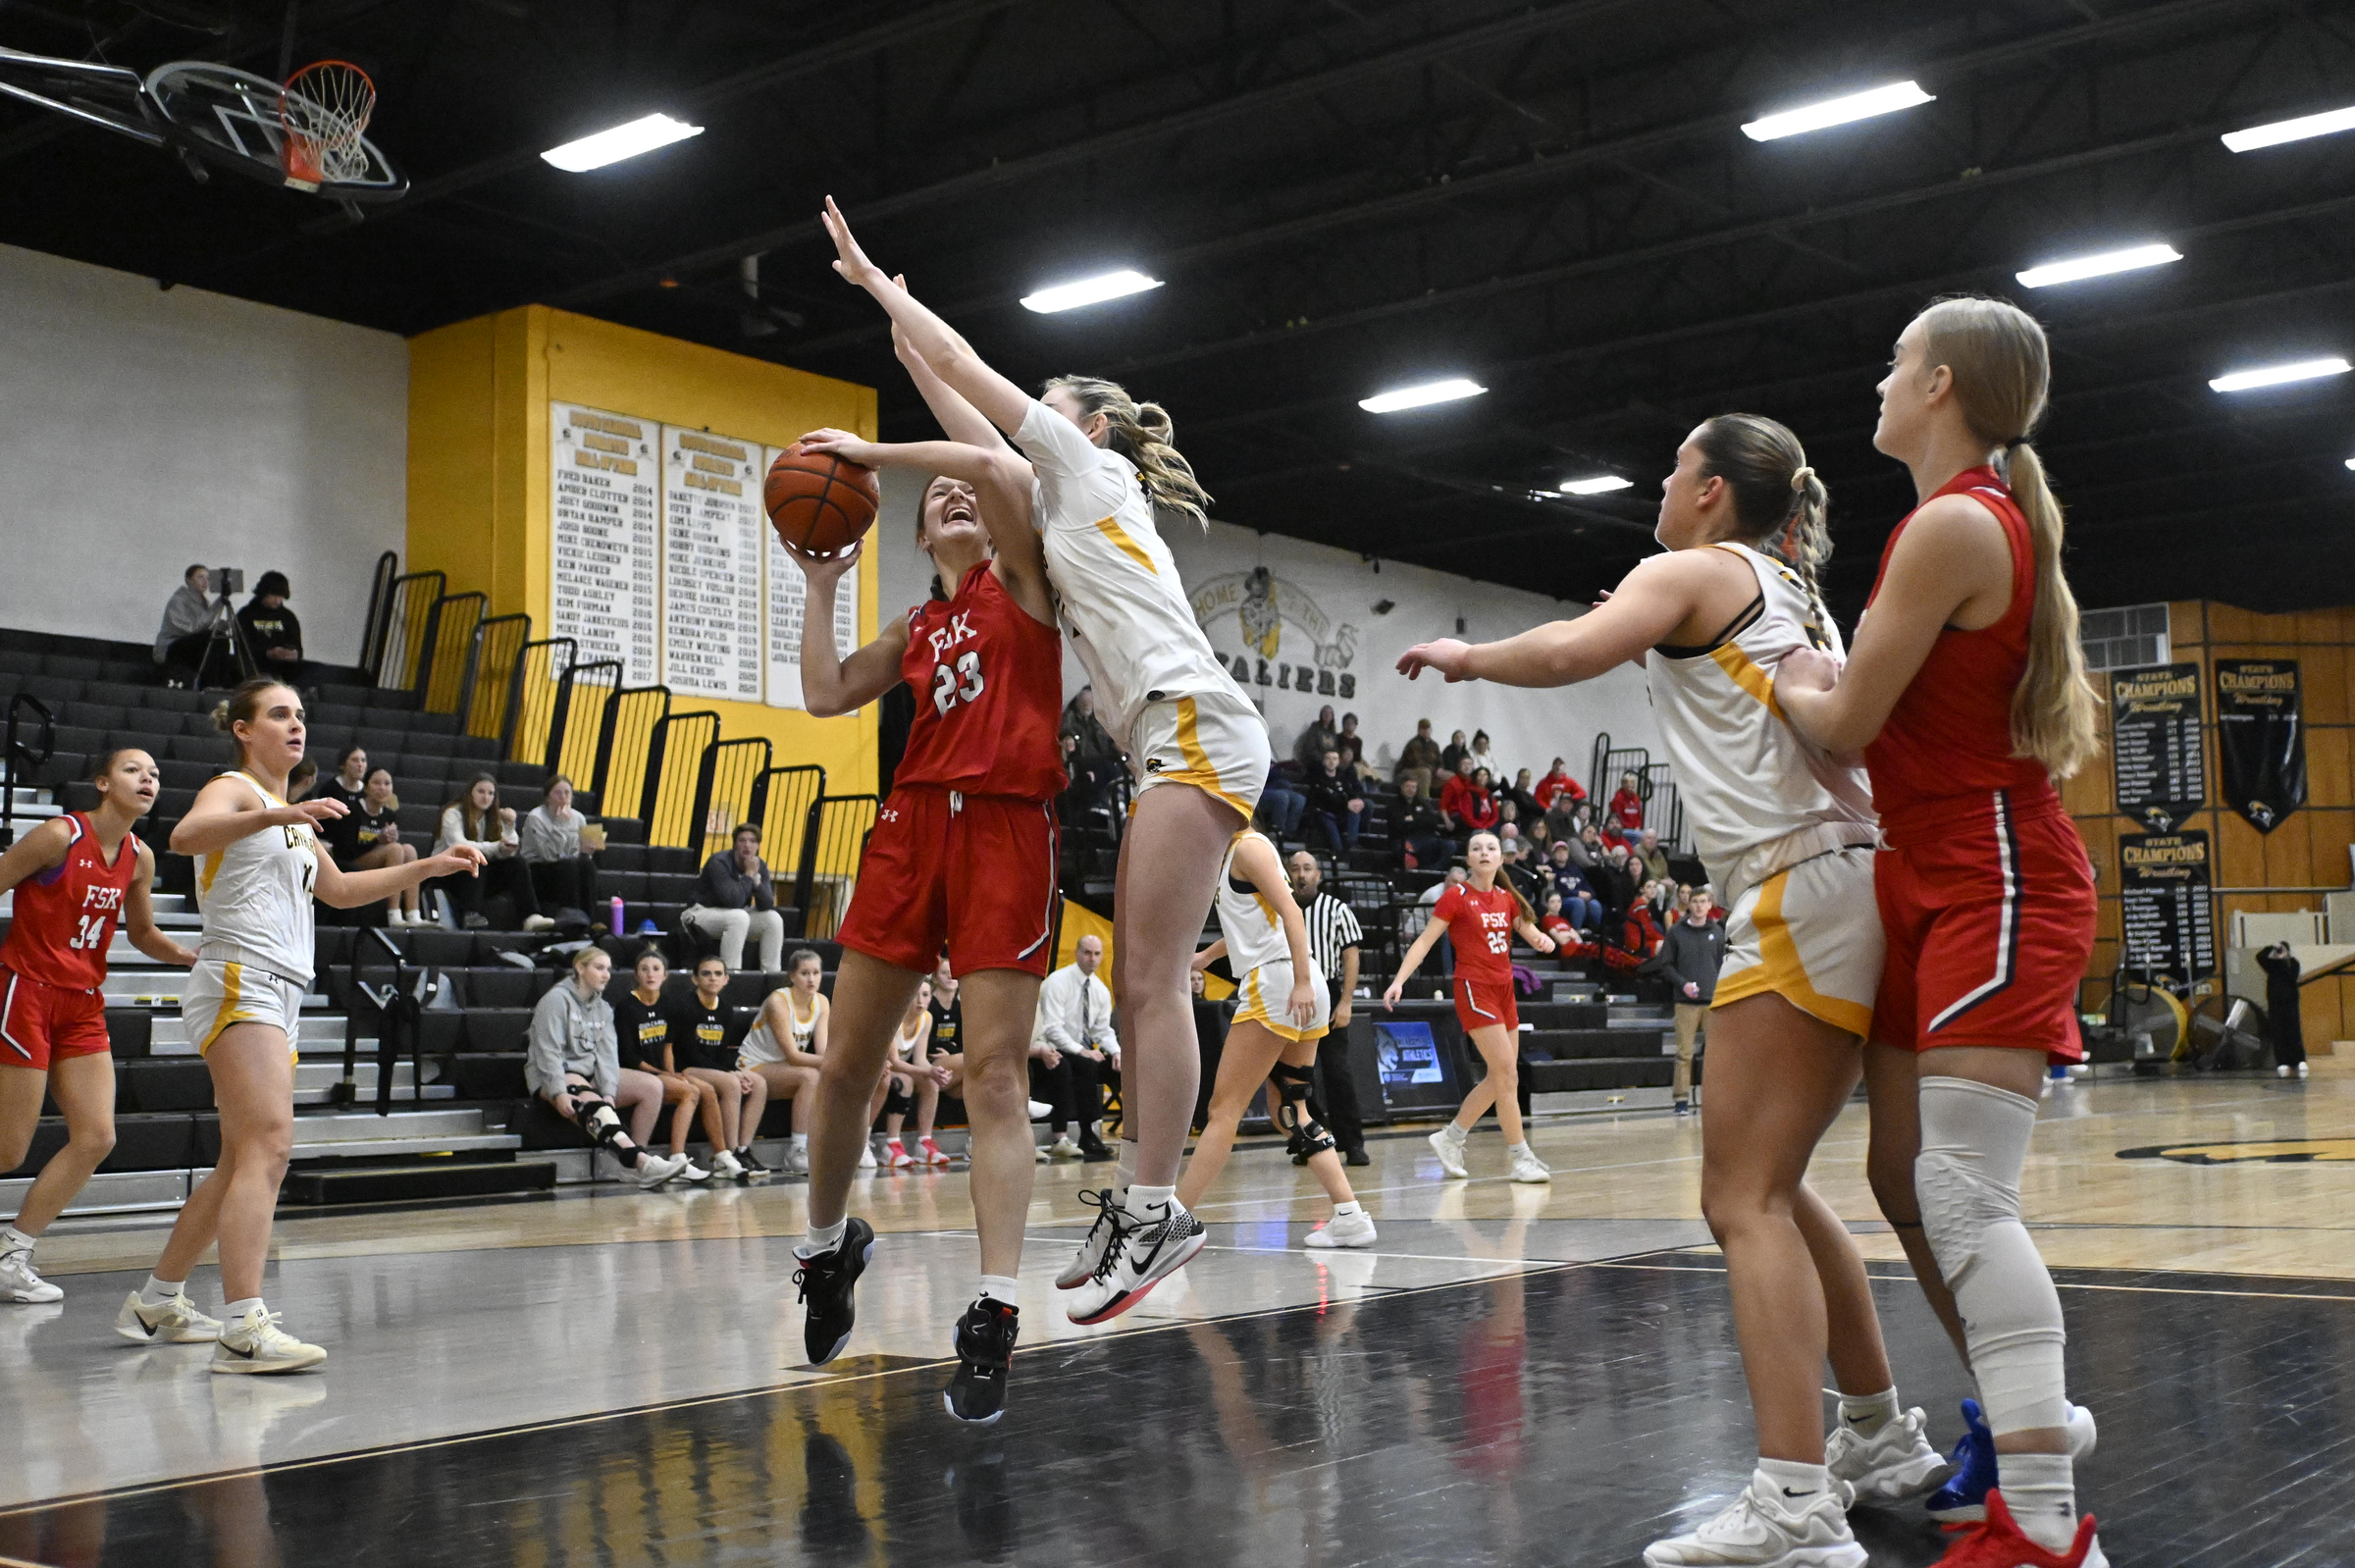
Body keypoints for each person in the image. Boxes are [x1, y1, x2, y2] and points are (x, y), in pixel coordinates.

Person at [1402, 413, 1954, 1568]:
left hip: (1796, 886)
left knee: (1740, 1200)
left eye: (1671, 469)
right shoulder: (1797, 591)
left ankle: (1796, 1501)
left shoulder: (1695, 568)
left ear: (1711, 491)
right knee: (1779, 1187)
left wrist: (1467, 658)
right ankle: (1872, 1434)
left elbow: (1570, 649)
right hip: (1852, 878)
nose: (1659, 483)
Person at [822, 198, 1271, 1333]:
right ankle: (1145, 1203)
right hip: (1173, 734)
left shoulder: (1088, 469)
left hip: (1196, 721)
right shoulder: (1058, 513)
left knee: (1151, 984)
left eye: (1046, 414)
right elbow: (975, 423)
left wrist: (885, 295)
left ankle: (1155, 1206)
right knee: (1141, 983)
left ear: (1088, 430)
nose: (1031, 428)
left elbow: (981, 412)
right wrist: (908, 341)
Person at [1775, 297, 2108, 1565]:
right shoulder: (1956, 519)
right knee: (1901, 1179)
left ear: (1943, 385)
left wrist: (1791, 675)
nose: (1880, 377)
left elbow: (1845, 719)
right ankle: (2024, 1427)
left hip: (1996, 874)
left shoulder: (1960, 519)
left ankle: (2040, 1515)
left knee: (1962, 1194)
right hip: (1930, 871)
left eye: (1895, 360)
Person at [783, 281, 1073, 1426]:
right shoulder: (915, 627)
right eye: (931, 494)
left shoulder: (1028, 583)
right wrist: (817, 587)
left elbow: (1001, 469)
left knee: (993, 1074)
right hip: (911, 826)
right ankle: (823, 1245)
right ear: (910, 534)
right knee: (847, 1064)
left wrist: (885, 419)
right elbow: (818, 692)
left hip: (1007, 822)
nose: (952, 489)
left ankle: (995, 1307)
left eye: (961, 487)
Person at [127, 679, 484, 1372]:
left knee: (241, 1159)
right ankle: (243, 1326)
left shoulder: (288, 816)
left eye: (301, 716)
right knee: (271, 1144)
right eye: (280, 714)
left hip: (280, 990)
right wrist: (273, 814)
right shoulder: (234, 789)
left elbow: (342, 892)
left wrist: (432, 865)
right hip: (241, 976)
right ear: (243, 729)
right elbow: (183, 835)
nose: (296, 726)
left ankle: (157, 1299)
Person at [0, 751, 199, 1306]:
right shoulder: (59, 835)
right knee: (8, 1149)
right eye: (135, 771)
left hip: (83, 1004)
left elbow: (140, 933)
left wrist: (189, 955)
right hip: (27, 993)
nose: (148, 780)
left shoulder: (139, 856)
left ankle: (11, 1253)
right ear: (103, 782)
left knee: (97, 1136)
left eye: (156, 774)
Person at [1182, 831, 1376, 1248]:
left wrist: (1302, 981)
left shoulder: (1246, 848)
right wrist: (1206, 957)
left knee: (1223, 1109)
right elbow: (1258, 923)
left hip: (1280, 980)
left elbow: (1292, 913)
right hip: (1295, 977)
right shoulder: (1245, 850)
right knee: (1289, 1108)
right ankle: (1350, 1215)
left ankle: (1173, 1226)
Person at [1382, 830, 1556, 1184]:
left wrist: (1543, 939)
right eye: (1476, 848)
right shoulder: (1456, 896)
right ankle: (1520, 1157)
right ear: (1469, 858)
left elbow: (1531, 932)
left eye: (1491, 848)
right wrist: (1399, 979)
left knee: (1502, 1077)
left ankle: (1451, 1138)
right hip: (1474, 989)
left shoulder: (1506, 898)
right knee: (1506, 1073)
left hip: (1505, 990)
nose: (1484, 853)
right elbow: (1425, 941)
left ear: (1500, 857)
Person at [528, 945, 692, 1191]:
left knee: (652, 1086)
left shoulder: (603, 1008)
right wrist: (558, 1091)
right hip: (554, 1073)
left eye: (608, 969)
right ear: (580, 968)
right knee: (597, 1107)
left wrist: (608, 1090)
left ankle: (636, 1164)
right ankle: (640, 1163)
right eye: (599, 968)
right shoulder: (555, 1000)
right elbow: (548, 1052)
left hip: (589, 1073)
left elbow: (607, 1056)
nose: (606, 975)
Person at [611, 949, 722, 1178]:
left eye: (656, 969)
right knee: (689, 1092)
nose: (650, 974)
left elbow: (668, 1046)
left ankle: (724, 1156)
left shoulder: (670, 1005)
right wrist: (662, 1074)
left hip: (662, 1072)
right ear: (636, 975)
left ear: (665, 975)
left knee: (708, 1090)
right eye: (644, 969)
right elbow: (629, 1055)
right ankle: (677, 1157)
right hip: (637, 1073)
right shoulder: (626, 1007)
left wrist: (671, 1073)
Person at [1288, 850, 1368, 1166]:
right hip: (1290, 992)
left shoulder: (1336, 909)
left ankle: (1353, 1144)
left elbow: (1351, 956)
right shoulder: (1279, 908)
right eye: (1295, 869)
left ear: (1318, 875)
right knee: (1295, 1076)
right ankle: (1310, 1139)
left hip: (1328, 991)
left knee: (1337, 1073)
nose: (1302, 874)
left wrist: (1346, 1002)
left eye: (1308, 868)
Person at [668, 956, 772, 1179]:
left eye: (718, 974)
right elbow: (688, 1052)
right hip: (686, 1068)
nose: (712, 978)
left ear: (726, 979)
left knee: (758, 1082)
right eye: (706, 973)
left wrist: (736, 1071)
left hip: (713, 1067)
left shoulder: (725, 1009)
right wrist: (729, 1073)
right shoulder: (685, 1006)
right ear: (695, 979)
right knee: (730, 1082)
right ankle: (730, 1153)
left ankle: (744, 1149)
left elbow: (721, 1052)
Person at [1030, 935, 1119, 1162]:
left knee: (1122, 1066)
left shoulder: (1100, 990)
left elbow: (1102, 1030)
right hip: (1054, 1048)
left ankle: (1137, 1133)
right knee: (1084, 1065)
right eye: (1087, 953)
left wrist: (1116, 1051)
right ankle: (1083, 1133)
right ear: (1077, 953)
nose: (1092, 959)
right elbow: (1052, 1028)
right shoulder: (1057, 982)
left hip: (1082, 1050)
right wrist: (1082, 1051)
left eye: (1097, 954)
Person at [740, 950, 828, 1174]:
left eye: (816, 973)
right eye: (804, 973)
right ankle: (796, 1151)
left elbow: (823, 1050)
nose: (811, 979)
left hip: (782, 1068)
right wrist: (837, 1063)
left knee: (826, 1075)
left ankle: (842, 1145)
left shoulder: (822, 1002)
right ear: (792, 976)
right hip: (753, 1065)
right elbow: (794, 1056)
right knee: (810, 1076)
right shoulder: (778, 1001)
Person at [436, 774, 553, 931]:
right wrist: (496, 847)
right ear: (470, 793)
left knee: (517, 863)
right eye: (481, 791)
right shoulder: (453, 813)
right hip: (448, 874)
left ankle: (530, 917)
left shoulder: (493, 816)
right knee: (476, 859)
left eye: (490, 793)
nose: (486, 797)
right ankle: (471, 913)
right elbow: (459, 846)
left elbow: (510, 847)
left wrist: (510, 825)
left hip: (477, 877)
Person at [683, 824, 786, 973]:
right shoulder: (719, 863)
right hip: (699, 913)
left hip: (732, 915)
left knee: (773, 919)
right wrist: (749, 875)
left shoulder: (759, 865)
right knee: (739, 916)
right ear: (734, 844)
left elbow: (767, 904)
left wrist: (756, 882)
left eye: (752, 841)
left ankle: (771, 976)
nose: (747, 845)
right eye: (742, 840)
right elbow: (733, 901)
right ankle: (731, 975)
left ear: (758, 845)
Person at [1659, 890, 1726, 1115]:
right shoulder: (1676, 932)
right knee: (1684, 1053)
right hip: (1685, 1002)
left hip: (1712, 1002)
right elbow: (1666, 965)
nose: (1699, 906)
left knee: (1715, 1055)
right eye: (1695, 902)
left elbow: (1721, 964)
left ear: (1710, 905)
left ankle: (1714, 1100)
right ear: (1689, 904)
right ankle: (1681, 1101)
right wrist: (1683, 984)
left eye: (1703, 902)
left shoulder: (1717, 932)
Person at [329, 767, 423, 926]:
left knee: (408, 850)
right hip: (350, 862)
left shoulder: (388, 814)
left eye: (387, 783)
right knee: (395, 849)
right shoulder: (353, 810)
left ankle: (413, 914)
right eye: (376, 783)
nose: (382, 788)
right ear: (366, 787)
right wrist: (378, 840)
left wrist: (389, 839)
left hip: (376, 860)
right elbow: (346, 850)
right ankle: (393, 914)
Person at [879, 978, 953, 1168]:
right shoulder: (893, 1016)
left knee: (931, 1081)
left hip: (899, 1068)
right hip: (879, 1067)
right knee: (906, 1081)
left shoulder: (926, 1018)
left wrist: (934, 1071)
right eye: (915, 994)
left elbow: (920, 1059)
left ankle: (924, 1142)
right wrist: (927, 1071)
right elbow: (894, 1061)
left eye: (926, 995)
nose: (920, 1000)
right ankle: (892, 1144)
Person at [519, 775, 600, 919]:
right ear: (547, 797)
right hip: (539, 870)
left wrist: (588, 850)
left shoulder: (579, 817)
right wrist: (561, 825)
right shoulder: (536, 817)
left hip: (568, 868)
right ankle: (572, 919)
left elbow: (582, 855)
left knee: (587, 865)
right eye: (557, 793)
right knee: (568, 865)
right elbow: (549, 856)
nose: (563, 797)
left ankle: (591, 920)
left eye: (567, 793)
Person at [154, 564, 220, 679]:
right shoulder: (177, 601)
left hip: (188, 645)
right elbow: (189, 629)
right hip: (171, 647)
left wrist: (216, 627)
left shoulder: (204, 603)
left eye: (208, 578)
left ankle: (215, 682)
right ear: (188, 580)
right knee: (211, 638)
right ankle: (210, 681)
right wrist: (218, 604)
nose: (205, 582)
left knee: (220, 638)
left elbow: (200, 629)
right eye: (200, 577)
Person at [235, 571, 303, 680]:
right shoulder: (245, 615)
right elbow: (242, 647)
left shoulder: (288, 617)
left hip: (284, 668)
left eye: (280, 596)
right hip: (255, 667)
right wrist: (267, 653)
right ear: (263, 593)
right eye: (273, 595)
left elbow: (297, 645)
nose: (277, 600)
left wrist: (293, 653)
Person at [2256, 941, 2308, 1078]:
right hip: (2275, 1003)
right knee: (2278, 1032)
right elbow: (2259, 956)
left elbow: (2292, 976)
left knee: (2293, 1031)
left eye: (2282, 950)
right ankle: (2282, 1061)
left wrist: (2285, 959)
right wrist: (2272, 948)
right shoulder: (2271, 965)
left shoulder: (2293, 963)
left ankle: (2299, 1060)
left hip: (2290, 1003)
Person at [1301, 748, 1365, 855]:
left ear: (1338, 761)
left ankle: (1352, 843)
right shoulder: (1318, 778)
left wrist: (1358, 800)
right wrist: (1346, 804)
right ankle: (1339, 851)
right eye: (1328, 758)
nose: (1331, 762)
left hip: (1341, 812)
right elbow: (1325, 800)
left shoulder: (1342, 777)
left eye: (1334, 759)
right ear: (1323, 761)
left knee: (1357, 811)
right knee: (1330, 825)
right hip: (1324, 814)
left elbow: (1350, 793)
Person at [1391, 774, 1450, 869]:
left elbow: (1432, 821)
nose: (1410, 789)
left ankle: (1433, 870)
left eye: (1413, 787)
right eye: (1408, 786)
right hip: (1403, 838)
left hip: (1425, 837)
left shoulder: (1422, 803)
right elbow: (1397, 824)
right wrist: (1419, 819)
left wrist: (1413, 819)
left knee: (1449, 845)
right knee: (1402, 848)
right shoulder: (1394, 804)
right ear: (1401, 787)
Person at [1546, 842, 1603, 933]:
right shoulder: (1550, 868)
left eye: (1564, 851)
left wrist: (1589, 894)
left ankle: (1598, 934)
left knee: (1595, 904)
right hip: (1562, 899)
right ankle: (1575, 932)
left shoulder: (1574, 868)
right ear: (1553, 855)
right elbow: (1556, 889)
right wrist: (1576, 893)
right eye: (1558, 851)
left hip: (1579, 896)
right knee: (1578, 903)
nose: (1561, 854)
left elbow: (1585, 883)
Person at [1258, 758, 1307, 841]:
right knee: (1281, 796)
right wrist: (1277, 771)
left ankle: (1289, 834)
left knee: (1300, 799)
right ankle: (1278, 830)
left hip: (1278, 787)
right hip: (1262, 789)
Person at [1394, 717, 1443, 797]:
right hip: (1409, 770)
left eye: (1428, 729)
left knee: (1450, 776)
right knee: (1425, 773)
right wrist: (1434, 770)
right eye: (1424, 729)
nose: (1426, 731)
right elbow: (1417, 762)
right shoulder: (1413, 744)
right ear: (1419, 730)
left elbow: (1439, 761)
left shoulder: (1434, 745)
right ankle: (1425, 800)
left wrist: (1440, 769)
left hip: (1431, 771)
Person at [320, 747, 369, 818]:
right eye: (355, 760)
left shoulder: (367, 791)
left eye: (363, 760)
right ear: (343, 764)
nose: (360, 764)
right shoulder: (329, 789)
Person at [1292, 704, 1341, 772]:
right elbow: (1310, 749)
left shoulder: (1332, 733)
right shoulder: (1314, 729)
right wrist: (1324, 759)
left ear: (1332, 716)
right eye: (1324, 713)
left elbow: (1335, 749)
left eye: (1329, 713)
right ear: (1321, 715)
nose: (1327, 715)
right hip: (1316, 761)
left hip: (1329, 761)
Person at [1334, 711, 1368, 775]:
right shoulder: (1337, 737)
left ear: (1355, 726)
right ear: (1343, 725)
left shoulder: (1358, 741)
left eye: (1352, 723)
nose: (1349, 725)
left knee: (1367, 771)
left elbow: (1358, 758)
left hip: (1353, 765)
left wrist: (1364, 763)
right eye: (1347, 723)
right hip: (1340, 764)